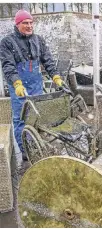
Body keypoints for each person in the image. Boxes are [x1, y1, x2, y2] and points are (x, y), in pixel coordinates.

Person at [0, 10, 64, 161]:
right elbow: (8, 66)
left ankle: (36, 142)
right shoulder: (7, 43)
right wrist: (16, 84)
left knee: (37, 116)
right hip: (20, 87)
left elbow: (47, 60)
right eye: (25, 23)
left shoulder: (38, 40)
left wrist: (56, 77)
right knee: (21, 119)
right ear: (17, 25)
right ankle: (25, 150)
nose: (29, 26)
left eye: (30, 23)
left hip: (36, 85)